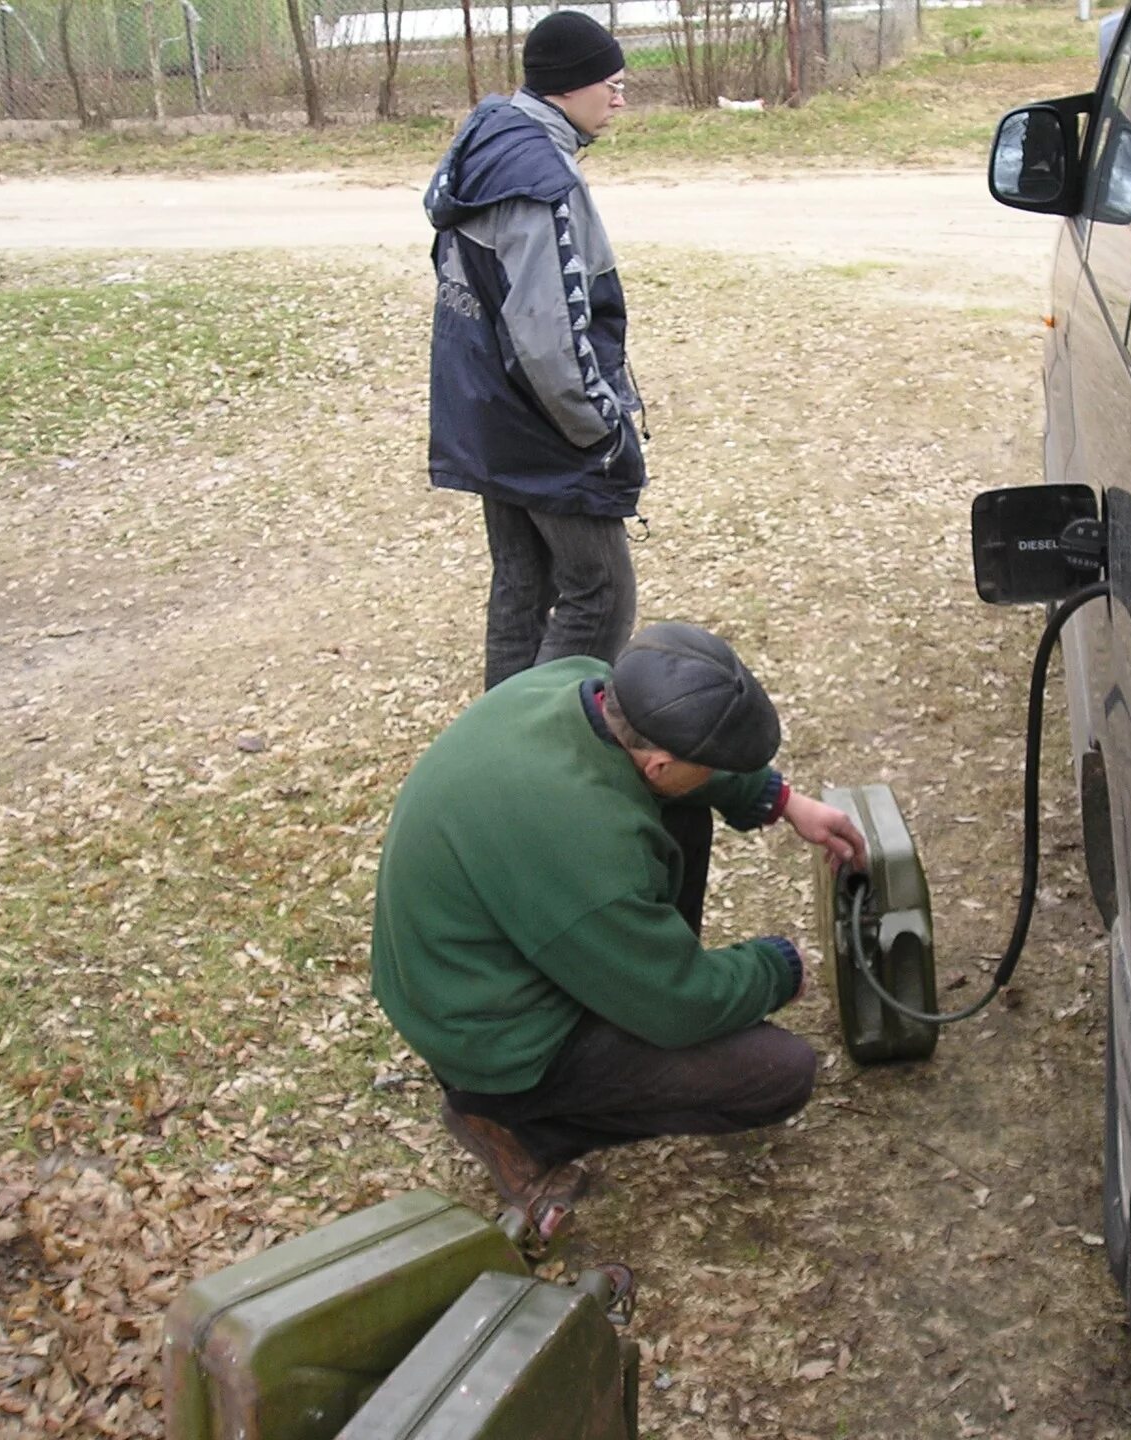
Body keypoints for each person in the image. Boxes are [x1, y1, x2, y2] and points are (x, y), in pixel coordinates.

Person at [370, 623, 868, 1225]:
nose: (712, 774)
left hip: (464, 968)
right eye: (707, 766)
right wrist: (779, 968)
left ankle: (630, 977)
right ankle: (510, 1120)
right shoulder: (585, 842)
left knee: (687, 812)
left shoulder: (580, 685)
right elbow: (682, 1004)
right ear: (659, 763)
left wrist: (781, 800)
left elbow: (679, 760)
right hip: (490, 1036)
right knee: (778, 1073)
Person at [424, 12, 646, 690]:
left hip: (490, 408)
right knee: (601, 592)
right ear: (569, 86)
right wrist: (601, 431)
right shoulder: (537, 176)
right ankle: (543, 753)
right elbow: (548, 335)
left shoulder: (490, 142)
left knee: (523, 584)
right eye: (610, 83)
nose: (619, 98)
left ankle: (492, 763)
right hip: (541, 421)